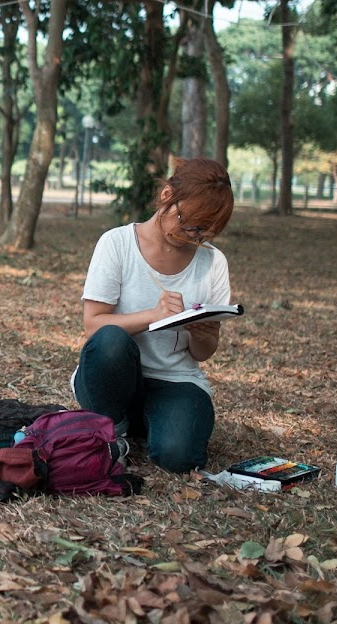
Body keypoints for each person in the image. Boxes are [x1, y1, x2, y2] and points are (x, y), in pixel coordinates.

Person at [71, 158, 235, 473]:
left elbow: (204, 353)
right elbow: (93, 323)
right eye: (189, 224)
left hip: (175, 380)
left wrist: (202, 334)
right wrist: (153, 315)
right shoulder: (117, 244)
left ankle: (151, 422)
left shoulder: (213, 262)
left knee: (179, 459)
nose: (192, 237)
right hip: (114, 372)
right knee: (110, 341)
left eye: (203, 232)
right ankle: (113, 426)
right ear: (166, 196)